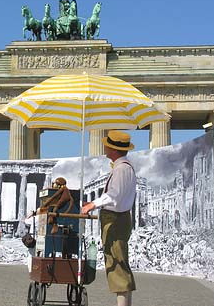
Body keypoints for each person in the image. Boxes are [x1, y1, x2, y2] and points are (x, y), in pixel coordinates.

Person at [82, 130, 137, 306]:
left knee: (117, 265)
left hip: (115, 220)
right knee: (117, 262)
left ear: (112, 149)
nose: (104, 146)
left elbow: (114, 195)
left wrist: (92, 205)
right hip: (118, 218)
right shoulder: (123, 167)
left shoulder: (121, 169)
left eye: (107, 144)